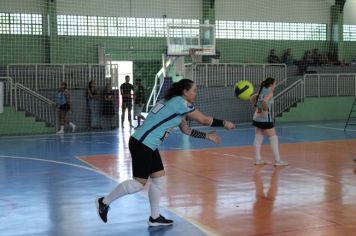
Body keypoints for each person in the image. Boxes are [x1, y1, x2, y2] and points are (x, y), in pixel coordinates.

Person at [96, 79, 236, 226]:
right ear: (185, 92)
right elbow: (204, 120)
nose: (196, 93)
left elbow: (186, 130)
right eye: (194, 90)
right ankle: (104, 202)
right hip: (143, 143)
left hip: (147, 144)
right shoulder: (180, 103)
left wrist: (207, 136)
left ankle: (154, 218)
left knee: (158, 178)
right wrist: (224, 123)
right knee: (138, 184)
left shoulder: (173, 103)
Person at [250, 77, 288, 166]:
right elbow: (264, 101)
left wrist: (255, 106)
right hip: (264, 118)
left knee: (258, 138)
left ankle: (258, 160)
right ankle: (278, 161)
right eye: (275, 84)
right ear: (271, 85)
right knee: (273, 137)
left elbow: (252, 98)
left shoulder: (261, 90)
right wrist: (266, 111)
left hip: (256, 116)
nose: (275, 86)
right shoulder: (269, 92)